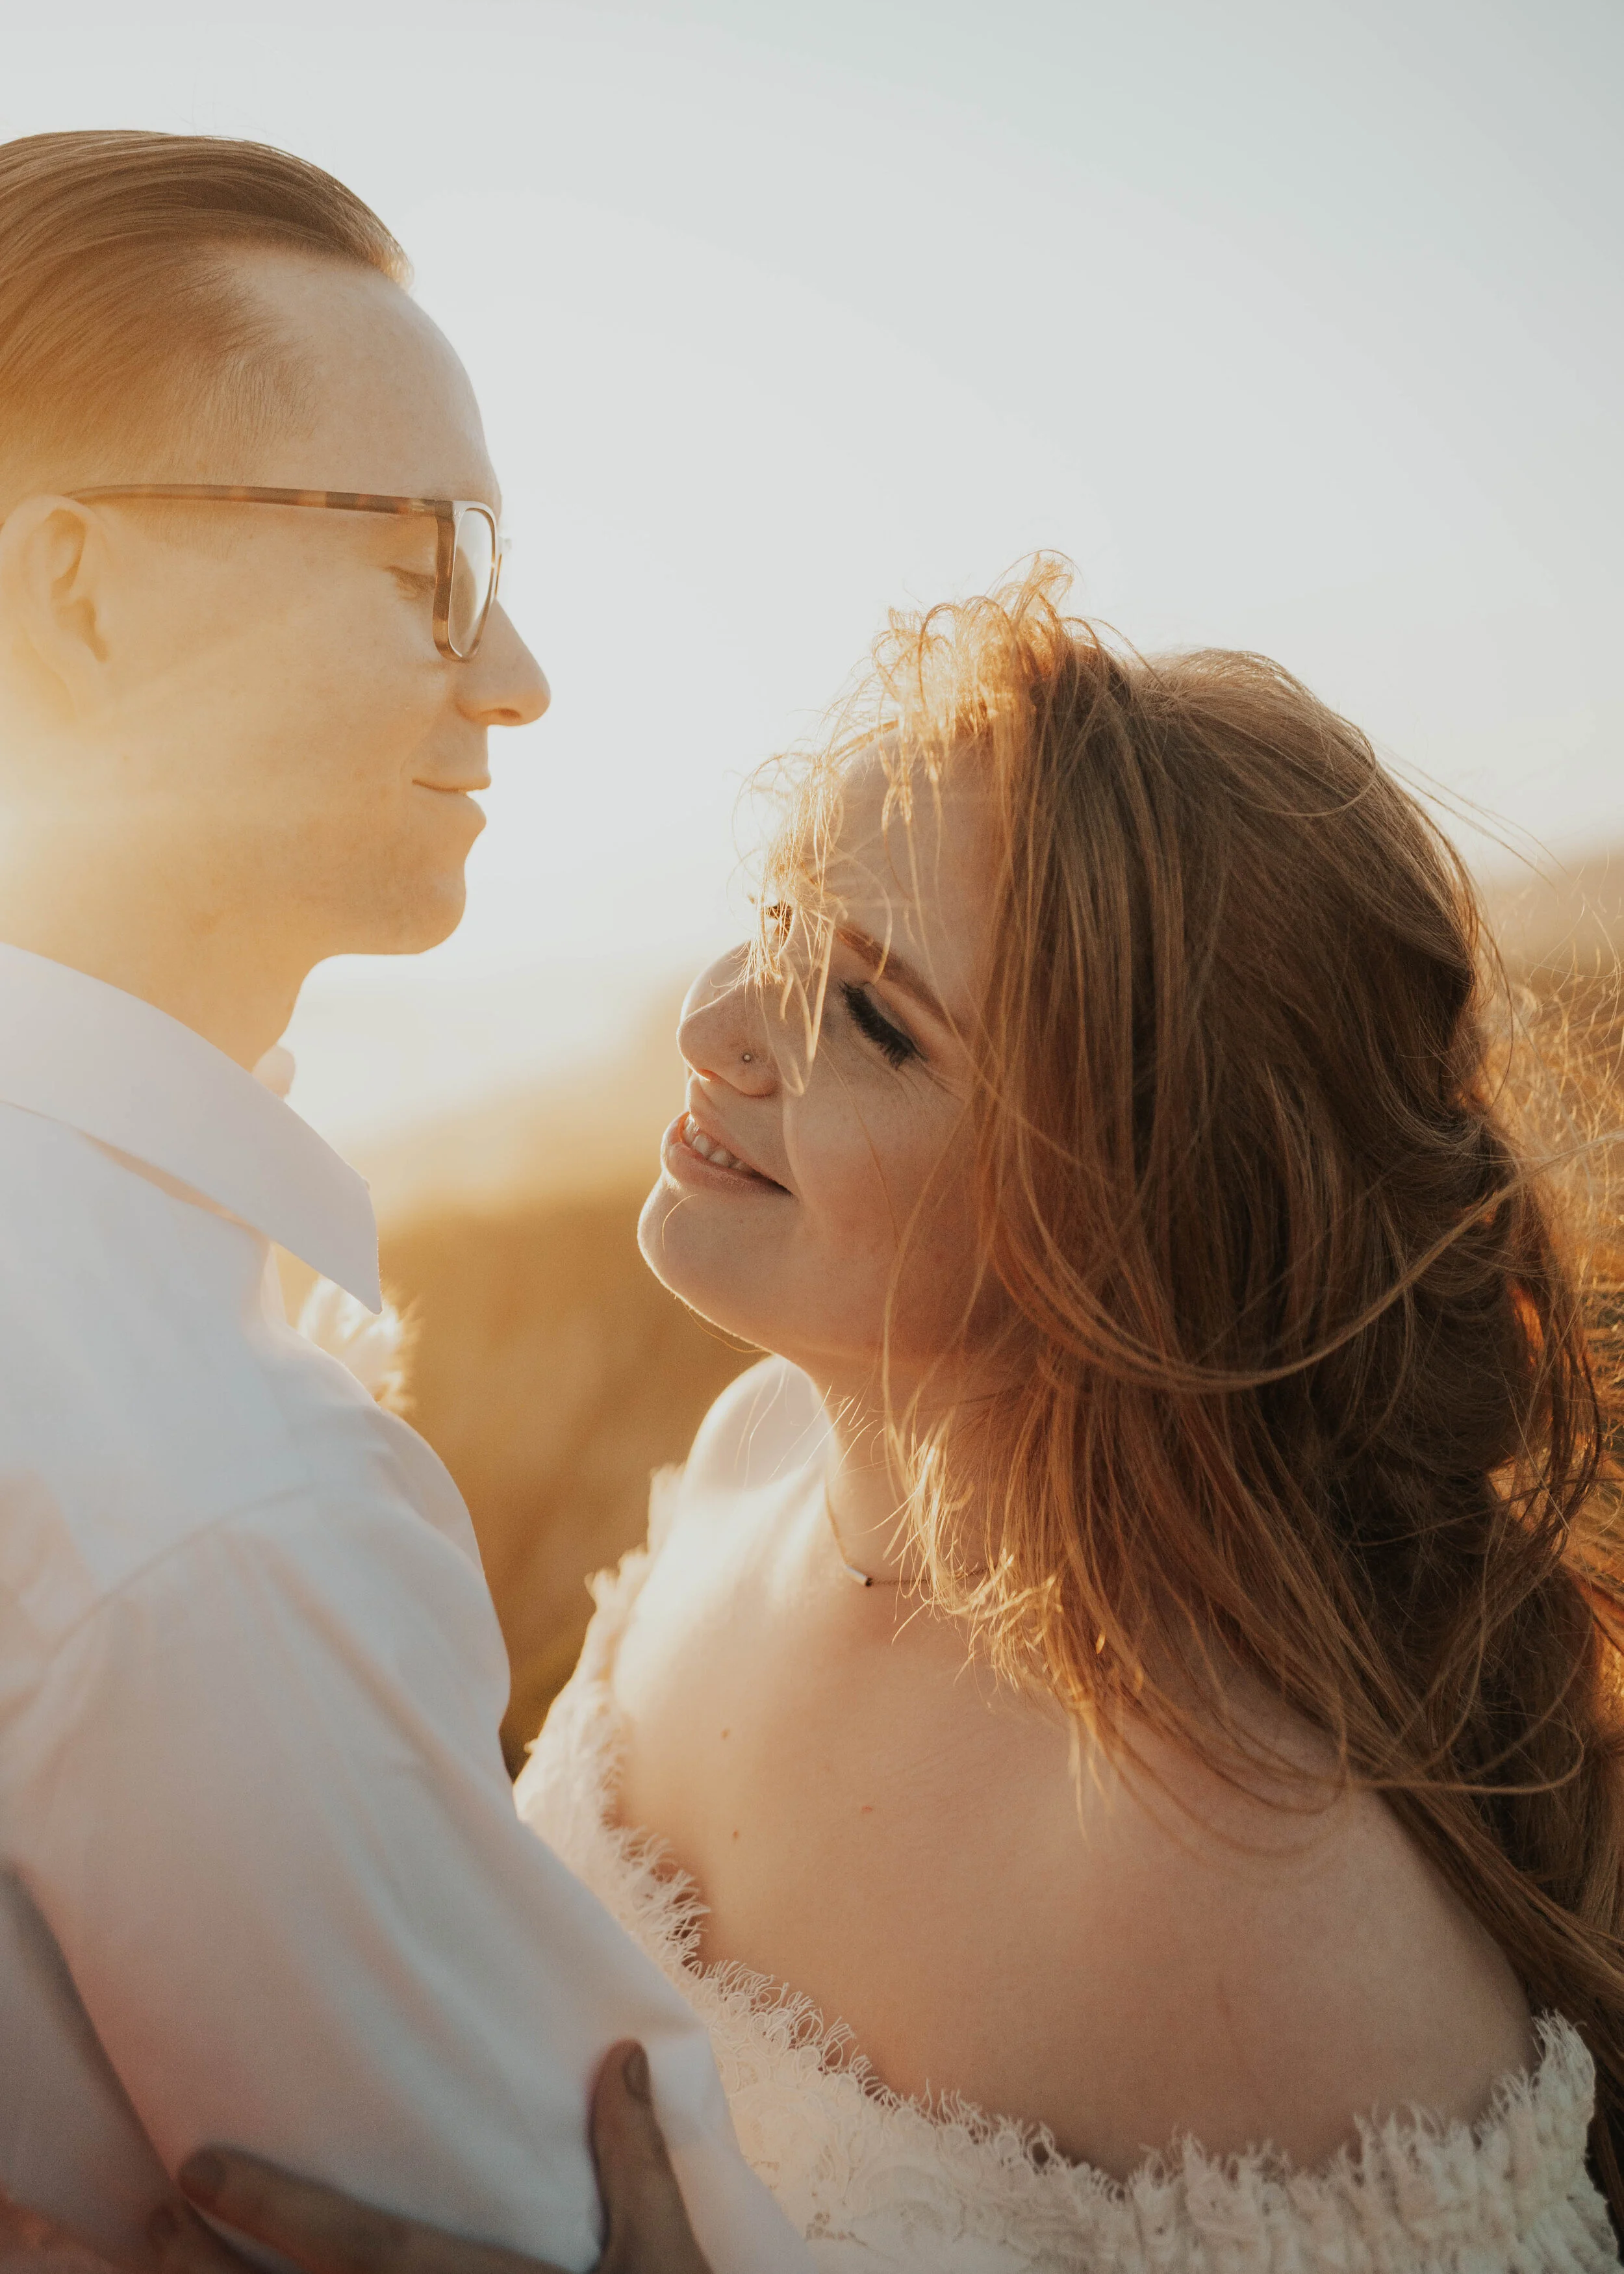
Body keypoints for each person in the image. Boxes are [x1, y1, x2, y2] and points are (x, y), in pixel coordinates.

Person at [511, 564, 1624, 2269]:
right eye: (782, 913)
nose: (714, 1018)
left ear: (1126, 1216)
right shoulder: (747, 1452)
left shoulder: (1262, 1920)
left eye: (870, 1013)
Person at [0, 131, 807, 2274]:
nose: (517, 665)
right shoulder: (220, 1512)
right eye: (427, 554)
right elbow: (604, 2228)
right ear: (75, 596)